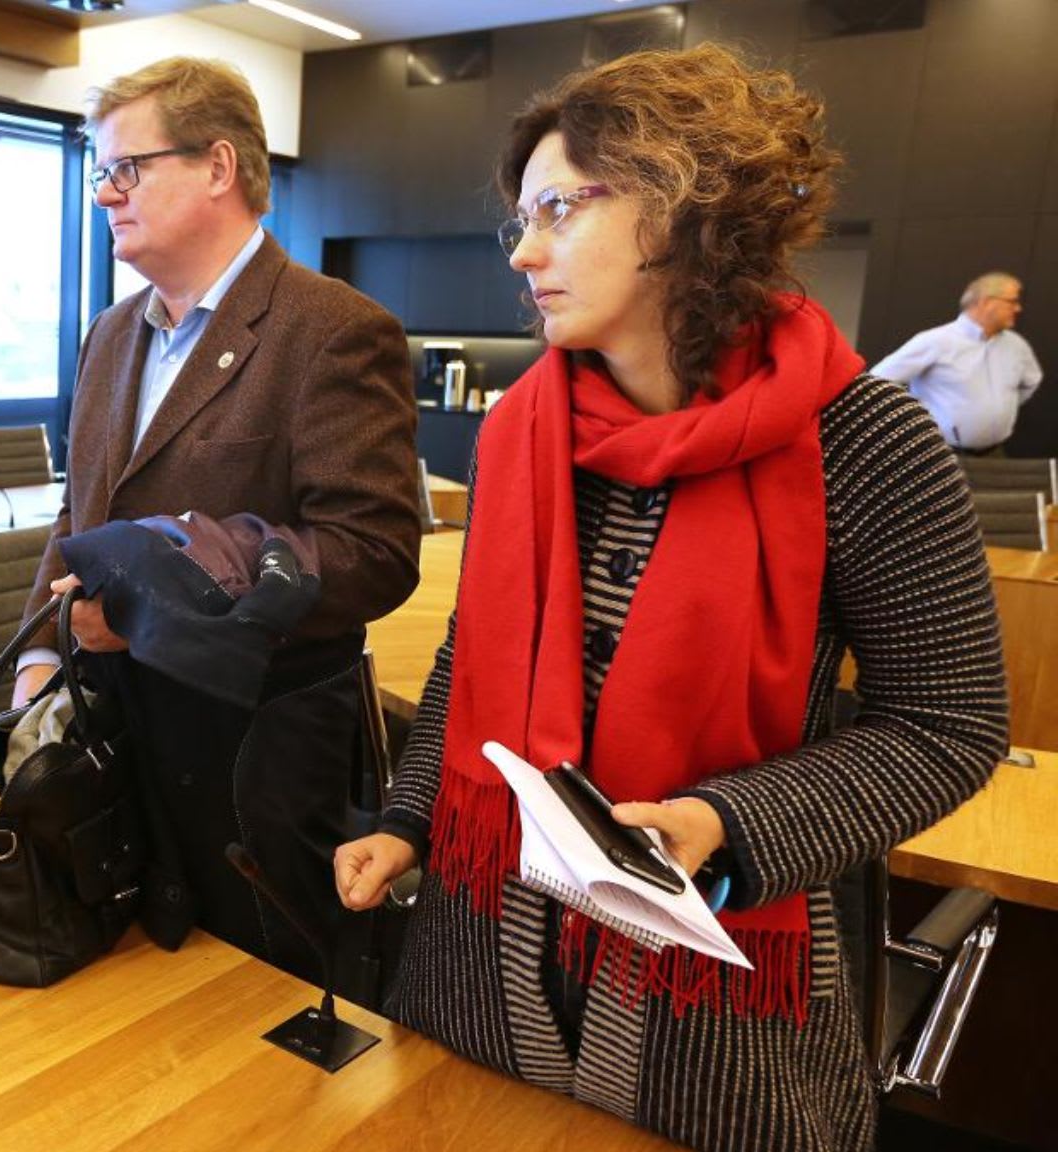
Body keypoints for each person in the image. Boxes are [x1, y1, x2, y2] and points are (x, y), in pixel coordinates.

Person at [333, 45, 1008, 1152]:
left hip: (714, 994)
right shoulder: (523, 431)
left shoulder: (863, 440)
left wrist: (724, 822)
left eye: (559, 208)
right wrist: (411, 819)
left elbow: (948, 726)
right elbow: (472, 654)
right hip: (479, 959)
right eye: (521, 220)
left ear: (688, 203)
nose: (525, 251)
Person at [13, 56, 421, 989]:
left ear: (218, 167)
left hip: (257, 758)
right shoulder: (110, 334)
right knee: (136, 999)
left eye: (127, 168)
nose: (105, 194)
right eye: (101, 173)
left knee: (258, 996)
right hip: (119, 737)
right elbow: (81, 512)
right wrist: (39, 655)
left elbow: (373, 551)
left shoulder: (332, 329)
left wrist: (157, 609)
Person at [871, 271, 1041, 455]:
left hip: (995, 453)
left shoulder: (1016, 345)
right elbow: (877, 381)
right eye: (1012, 301)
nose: (1018, 308)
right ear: (985, 302)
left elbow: (1030, 383)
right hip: (940, 454)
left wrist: (998, 408)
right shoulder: (936, 342)